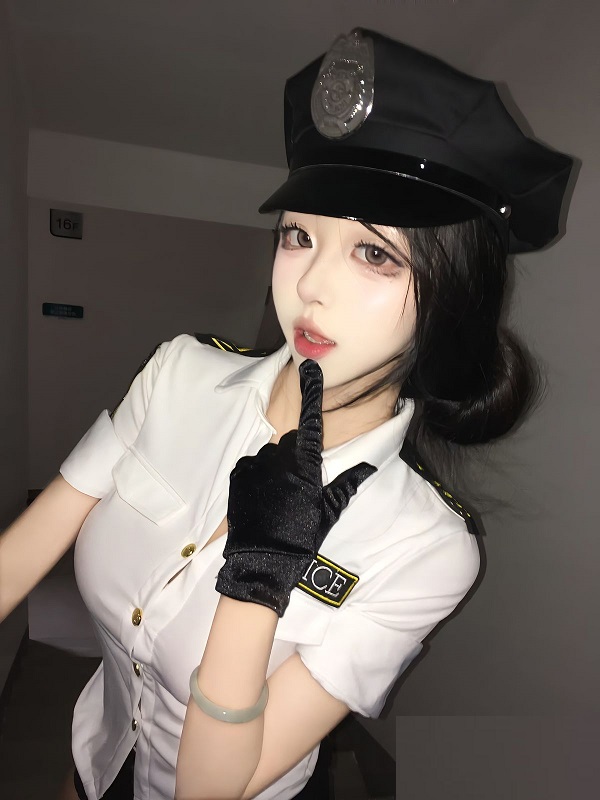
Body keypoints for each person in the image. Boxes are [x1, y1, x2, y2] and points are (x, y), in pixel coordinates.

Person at [0, 28, 573, 800]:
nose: (309, 286)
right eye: (299, 236)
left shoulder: (427, 547)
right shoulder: (178, 375)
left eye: (374, 253)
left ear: (454, 296)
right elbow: (23, 553)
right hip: (94, 755)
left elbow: (212, 789)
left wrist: (258, 581)